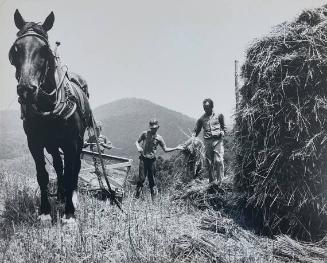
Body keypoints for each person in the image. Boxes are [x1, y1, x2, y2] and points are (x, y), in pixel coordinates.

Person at [135, 119, 183, 199]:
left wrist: (176, 148)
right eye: (152, 128)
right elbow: (137, 142)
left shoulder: (159, 138)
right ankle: (136, 198)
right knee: (142, 179)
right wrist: (138, 147)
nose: (153, 129)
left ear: (158, 127)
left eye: (155, 128)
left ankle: (154, 201)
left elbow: (165, 149)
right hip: (143, 160)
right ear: (150, 127)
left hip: (152, 161)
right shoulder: (144, 134)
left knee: (152, 181)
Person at [192, 98, 226, 185]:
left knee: (219, 161)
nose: (205, 109)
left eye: (207, 107)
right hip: (207, 142)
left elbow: (224, 127)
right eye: (204, 108)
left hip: (218, 140)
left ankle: (221, 181)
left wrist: (222, 132)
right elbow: (196, 130)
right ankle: (212, 182)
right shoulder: (201, 119)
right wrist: (192, 139)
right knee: (209, 162)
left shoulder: (219, 116)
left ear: (211, 107)